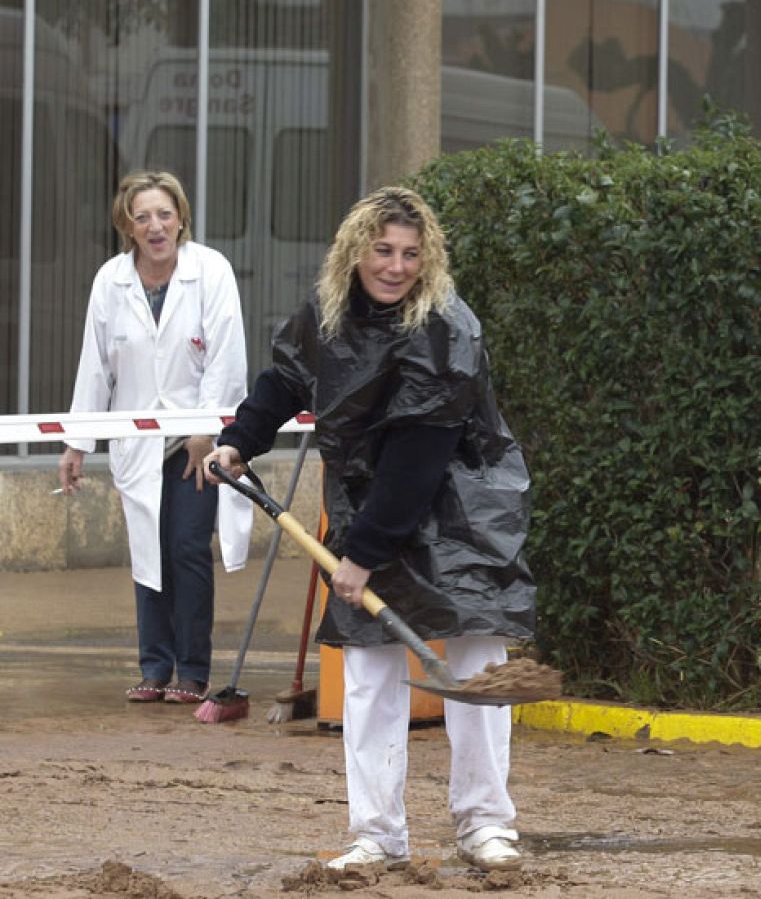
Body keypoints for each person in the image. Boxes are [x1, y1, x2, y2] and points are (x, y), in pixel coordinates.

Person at [203, 186, 538, 873]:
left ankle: (485, 824)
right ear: (356, 250)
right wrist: (240, 440)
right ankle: (378, 834)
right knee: (368, 673)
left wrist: (360, 556)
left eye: (412, 253)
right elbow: (283, 380)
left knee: (474, 663)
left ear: (429, 258)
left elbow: (419, 459)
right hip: (369, 505)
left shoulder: (447, 329)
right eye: (383, 250)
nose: (396, 266)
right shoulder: (326, 316)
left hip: (462, 516)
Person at [59, 170, 251, 705]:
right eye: (142, 216)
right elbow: (94, 367)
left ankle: (192, 672)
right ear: (127, 225)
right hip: (138, 441)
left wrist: (203, 431)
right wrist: (77, 443)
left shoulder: (210, 270)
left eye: (164, 214)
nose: (155, 226)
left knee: (187, 546)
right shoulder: (111, 280)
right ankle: (154, 668)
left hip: (196, 443)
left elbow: (227, 357)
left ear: (181, 217)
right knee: (147, 548)